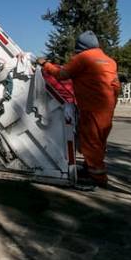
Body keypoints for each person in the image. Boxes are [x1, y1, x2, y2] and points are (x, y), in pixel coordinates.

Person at [37, 31, 120, 188]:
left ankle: (98, 177)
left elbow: (62, 75)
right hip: (107, 107)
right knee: (100, 140)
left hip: (91, 107)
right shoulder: (109, 61)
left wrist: (45, 64)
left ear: (80, 47)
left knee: (91, 142)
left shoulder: (84, 58)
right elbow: (116, 86)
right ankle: (90, 169)